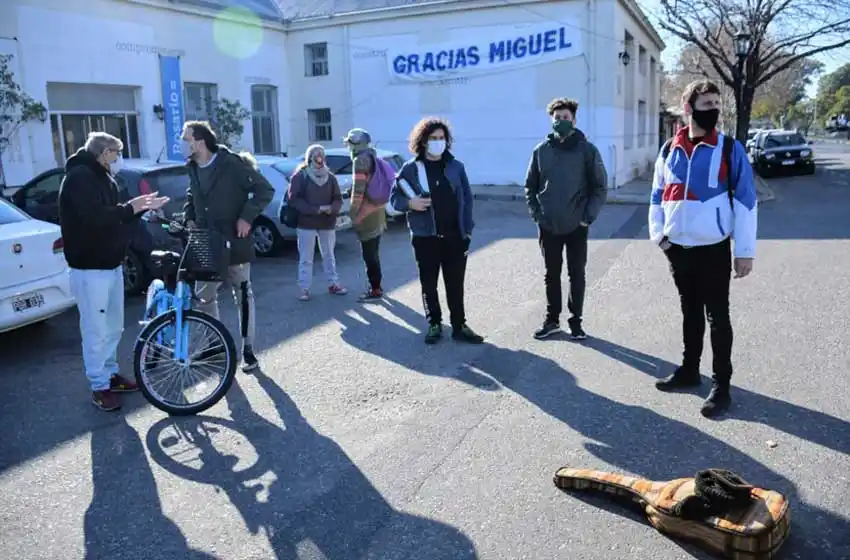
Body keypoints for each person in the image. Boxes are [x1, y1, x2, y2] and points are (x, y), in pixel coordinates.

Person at [648, 79, 758, 418]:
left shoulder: (728, 148)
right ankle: (689, 370)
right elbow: (656, 196)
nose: (713, 110)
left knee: (718, 317)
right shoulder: (669, 149)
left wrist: (744, 251)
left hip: (713, 248)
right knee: (690, 312)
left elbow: (746, 201)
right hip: (678, 248)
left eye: (716, 104)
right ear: (688, 107)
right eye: (706, 104)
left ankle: (722, 386)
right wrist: (660, 238)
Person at [58, 132, 169, 411]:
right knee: (95, 329)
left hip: (110, 264)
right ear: (104, 153)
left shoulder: (103, 177)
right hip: (89, 267)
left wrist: (140, 208)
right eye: (116, 153)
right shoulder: (79, 178)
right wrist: (130, 207)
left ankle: (110, 374)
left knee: (113, 326)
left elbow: (116, 217)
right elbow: (94, 217)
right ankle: (99, 386)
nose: (118, 159)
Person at [181, 120, 274, 372]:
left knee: (242, 294)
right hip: (205, 241)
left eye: (186, 139)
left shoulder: (231, 163)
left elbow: (264, 190)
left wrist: (246, 217)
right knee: (204, 296)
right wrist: (189, 217)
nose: (182, 144)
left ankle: (248, 350)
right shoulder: (192, 166)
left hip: (233, 240)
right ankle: (215, 344)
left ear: (200, 141)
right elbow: (192, 195)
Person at [390, 117, 484, 345]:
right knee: (429, 283)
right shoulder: (411, 169)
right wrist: (410, 204)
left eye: (442, 138)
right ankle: (434, 324)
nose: (438, 142)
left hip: (454, 236)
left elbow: (467, 200)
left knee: (455, 284)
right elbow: (394, 199)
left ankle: (459, 325)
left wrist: (467, 231)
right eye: (433, 138)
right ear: (423, 141)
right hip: (425, 238)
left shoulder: (456, 167)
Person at [524, 97, 608, 341]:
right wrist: (538, 215)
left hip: (576, 226)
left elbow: (599, 187)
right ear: (551, 120)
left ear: (574, 120)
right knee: (551, 274)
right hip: (548, 225)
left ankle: (575, 321)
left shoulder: (587, 151)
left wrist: (586, 218)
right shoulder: (541, 151)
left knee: (576, 274)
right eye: (557, 118)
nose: (561, 121)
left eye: (565, 117)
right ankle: (552, 320)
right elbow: (530, 187)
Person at [288, 144, 347, 300]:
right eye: (316, 156)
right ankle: (304, 288)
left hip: (327, 222)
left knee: (329, 255)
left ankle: (333, 284)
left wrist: (332, 208)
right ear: (309, 158)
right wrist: (315, 209)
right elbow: (294, 199)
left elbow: (337, 198)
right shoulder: (300, 176)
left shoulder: (330, 177)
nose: (319, 159)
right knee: (306, 258)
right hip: (306, 223)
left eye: (321, 155)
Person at [343, 128, 387, 302]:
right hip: (378, 209)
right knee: (374, 251)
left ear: (355, 144)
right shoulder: (372, 155)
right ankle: (377, 286)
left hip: (367, 213)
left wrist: (352, 213)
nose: (348, 146)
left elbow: (359, 191)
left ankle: (375, 289)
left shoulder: (359, 161)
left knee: (369, 254)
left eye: (349, 143)